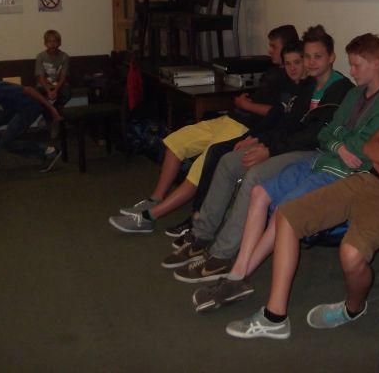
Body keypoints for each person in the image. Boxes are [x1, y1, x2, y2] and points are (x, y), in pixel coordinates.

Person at [225, 44, 379, 340]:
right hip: (365, 179)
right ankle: (275, 316)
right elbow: (370, 147)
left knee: (350, 255)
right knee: (286, 215)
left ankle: (353, 307)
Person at [193, 33, 379, 313]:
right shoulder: (354, 94)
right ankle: (238, 272)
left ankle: (238, 277)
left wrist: (339, 141)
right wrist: (339, 144)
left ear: (376, 64)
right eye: (350, 65)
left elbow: (363, 149)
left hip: (340, 174)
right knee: (259, 192)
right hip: (321, 159)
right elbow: (327, 132)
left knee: (284, 210)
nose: (351, 71)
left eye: (357, 65)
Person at [164, 24, 354, 283]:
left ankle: (221, 254)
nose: (310, 62)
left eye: (317, 56)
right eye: (307, 56)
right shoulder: (307, 86)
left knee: (255, 175)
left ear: (331, 57)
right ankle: (201, 234)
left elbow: (315, 135)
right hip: (288, 145)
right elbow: (286, 124)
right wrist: (260, 140)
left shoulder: (341, 90)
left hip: (313, 152)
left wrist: (270, 149)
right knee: (229, 161)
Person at [108, 25, 300, 234]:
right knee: (176, 141)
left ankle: (149, 217)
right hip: (229, 118)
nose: (269, 50)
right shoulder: (273, 70)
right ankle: (155, 199)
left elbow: (276, 112)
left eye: (273, 47)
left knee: (200, 167)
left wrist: (247, 105)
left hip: (243, 126)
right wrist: (244, 103)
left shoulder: (290, 79)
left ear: (287, 47)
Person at [35, 29, 71, 131]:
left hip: (59, 85)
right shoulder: (41, 56)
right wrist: (48, 90)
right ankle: (51, 120)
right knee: (38, 96)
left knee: (67, 93)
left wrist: (55, 90)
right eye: (49, 41)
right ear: (45, 43)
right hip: (44, 85)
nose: (52, 44)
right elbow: (40, 77)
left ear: (59, 43)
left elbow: (63, 77)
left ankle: (51, 115)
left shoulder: (65, 57)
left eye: (55, 41)